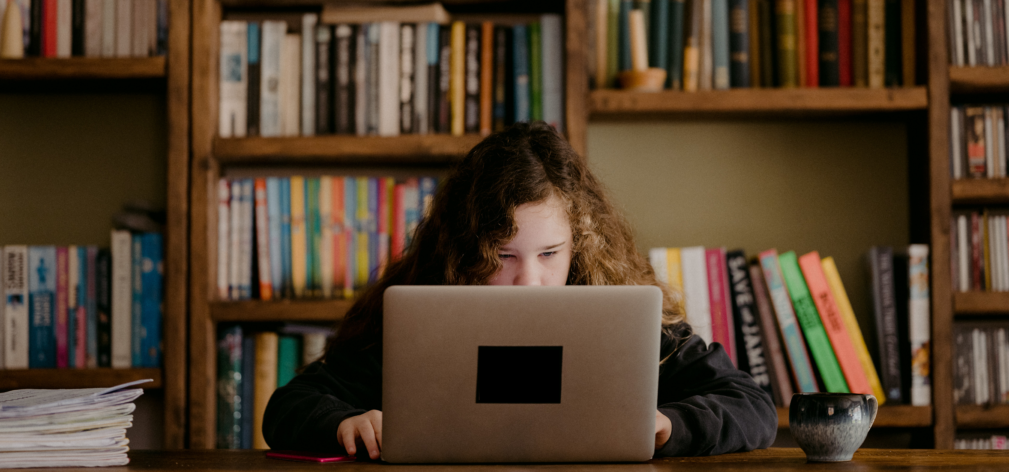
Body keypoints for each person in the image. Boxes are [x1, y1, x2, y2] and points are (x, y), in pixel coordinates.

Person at [263, 122, 777, 458]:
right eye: (503, 256)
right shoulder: (424, 308)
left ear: (581, 244)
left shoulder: (615, 306)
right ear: (466, 249)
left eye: (550, 254)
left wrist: (670, 426)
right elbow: (289, 406)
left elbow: (750, 404)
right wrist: (345, 423)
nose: (529, 280)